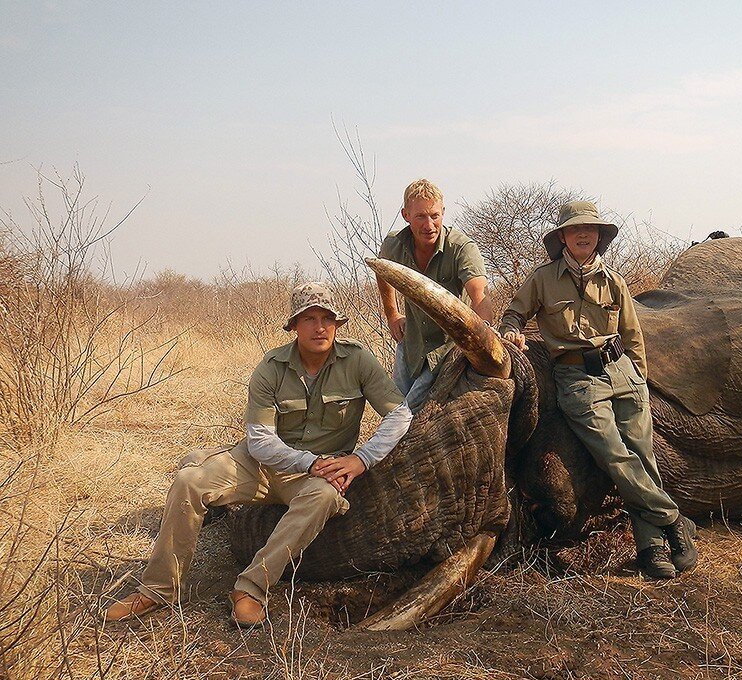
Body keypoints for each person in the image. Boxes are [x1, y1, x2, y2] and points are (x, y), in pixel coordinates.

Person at [104, 282, 412, 627]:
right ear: (294, 325)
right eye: (309, 319)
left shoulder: (358, 361)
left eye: (327, 318)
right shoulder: (271, 366)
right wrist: (307, 461)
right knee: (190, 480)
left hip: (318, 474)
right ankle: (158, 589)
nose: (320, 327)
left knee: (324, 497)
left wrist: (362, 459)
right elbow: (261, 441)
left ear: (337, 325)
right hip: (265, 464)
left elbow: (400, 414)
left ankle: (250, 588)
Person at [498, 201, 698, 579]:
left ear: (599, 237)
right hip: (577, 379)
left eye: (591, 229)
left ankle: (651, 548)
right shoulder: (542, 279)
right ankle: (673, 521)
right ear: (562, 238)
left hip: (623, 373)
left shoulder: (614, 280)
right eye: (576, 230)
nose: (584, 234)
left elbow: (632, 334)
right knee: (616, 457)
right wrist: (511, 329)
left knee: (643, 455)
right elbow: (514, 313)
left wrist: (638, 376)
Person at [377, 179, 494, 409]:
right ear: (405, 215)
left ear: (443, 213)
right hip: (410, 344)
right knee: (393, 411)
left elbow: (479, 293)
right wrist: (392, 314)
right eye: (420, 216)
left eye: (434, 216)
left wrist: (485, 339)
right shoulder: (394, 245)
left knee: (406, 414)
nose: (429, 225)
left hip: (447, 349)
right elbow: (382, 272)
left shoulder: (461, 247)